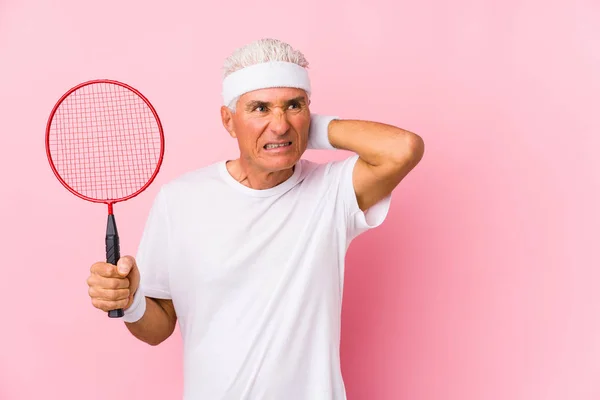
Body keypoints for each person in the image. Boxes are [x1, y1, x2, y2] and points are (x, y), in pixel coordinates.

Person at [86, 38, 424, 399]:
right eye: (259, 108)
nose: (279, 125)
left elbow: (402, 148)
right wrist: (131, 299)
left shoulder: (333, 192)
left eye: (293, 105)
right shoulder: (179, 200)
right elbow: (157, 328)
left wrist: (305, 128)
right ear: (228, 121)